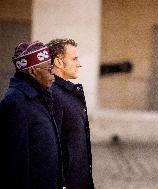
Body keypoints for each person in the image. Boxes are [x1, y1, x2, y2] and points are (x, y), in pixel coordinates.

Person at [0, 41, 64, 189]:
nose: (53, 72)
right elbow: (14, 162)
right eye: (48, 68)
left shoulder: (40, 96)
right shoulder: (16, 102)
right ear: (32, 71)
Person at [47, 38, 95, 189]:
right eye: (74, 59)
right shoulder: (53, 95)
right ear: (59, 62)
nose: (79, 64)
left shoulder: (69, 92)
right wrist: (61, 183)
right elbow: (52, 145)